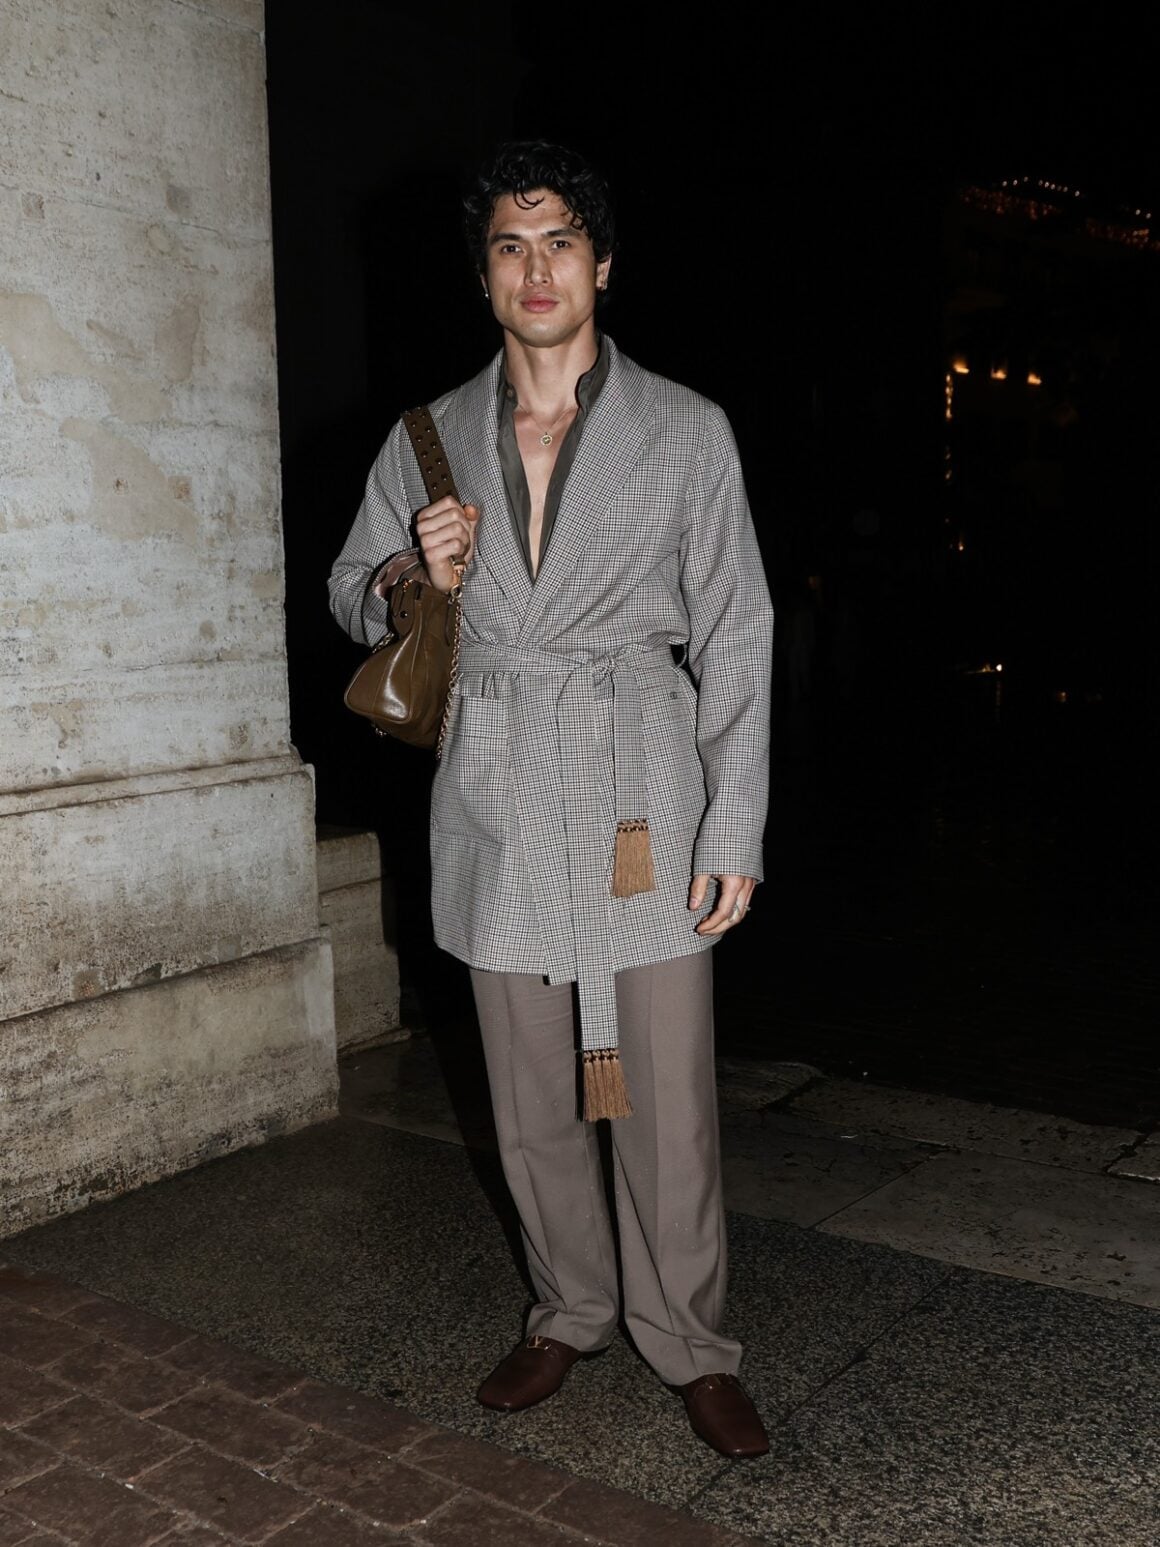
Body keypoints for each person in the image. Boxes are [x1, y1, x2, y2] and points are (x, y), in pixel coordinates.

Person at [328, 140, 774, 1459]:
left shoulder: (687, 432)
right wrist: (412, 573)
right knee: (529, 1097)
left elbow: (738, 632)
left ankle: (688, 1338)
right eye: (511, 246)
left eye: (560, 240)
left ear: (602, 265)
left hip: (642, 783)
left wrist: (734, 823)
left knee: (666, 1097)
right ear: (483, 278)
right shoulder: (428, 438)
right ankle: (569, 1309)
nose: (537, 267)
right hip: (500, 791)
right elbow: (350, 592)